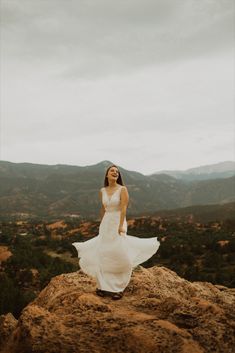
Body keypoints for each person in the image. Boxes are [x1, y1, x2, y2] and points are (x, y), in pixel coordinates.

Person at [72, 164, 160, 300]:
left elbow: (124, 209)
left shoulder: (122, 189)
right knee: (104, 253)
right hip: (106, 223)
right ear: (107, 175)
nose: (115, 172)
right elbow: (103, 209)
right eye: (112, 171)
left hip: (118, 221)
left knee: (119, 253)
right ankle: (102, 286)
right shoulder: (102, 190)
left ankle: (119, 288)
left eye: (117, 171)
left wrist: (121, 226)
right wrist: (102, 224)